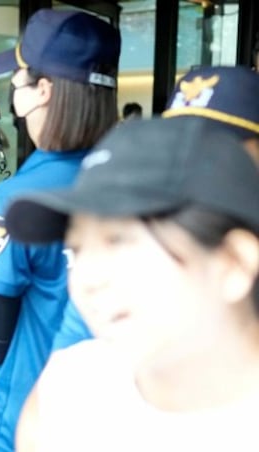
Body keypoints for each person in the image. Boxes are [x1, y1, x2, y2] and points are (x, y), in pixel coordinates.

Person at [6, 117, 259, 452]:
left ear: (234, 263)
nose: (88, 280)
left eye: (119, 241)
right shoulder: (66, 396)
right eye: (77, 250)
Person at [0, 9, 120, 452]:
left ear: (41, 91)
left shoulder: (12, 201)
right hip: (115, 423)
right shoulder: (135, 180)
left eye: (18, 78)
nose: (12, 90)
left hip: (31, 423)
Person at [53, 64, 259, 352]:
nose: (195, 161)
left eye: (219, 147)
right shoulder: (126, 265)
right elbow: (67, 364)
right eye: (179, 143)